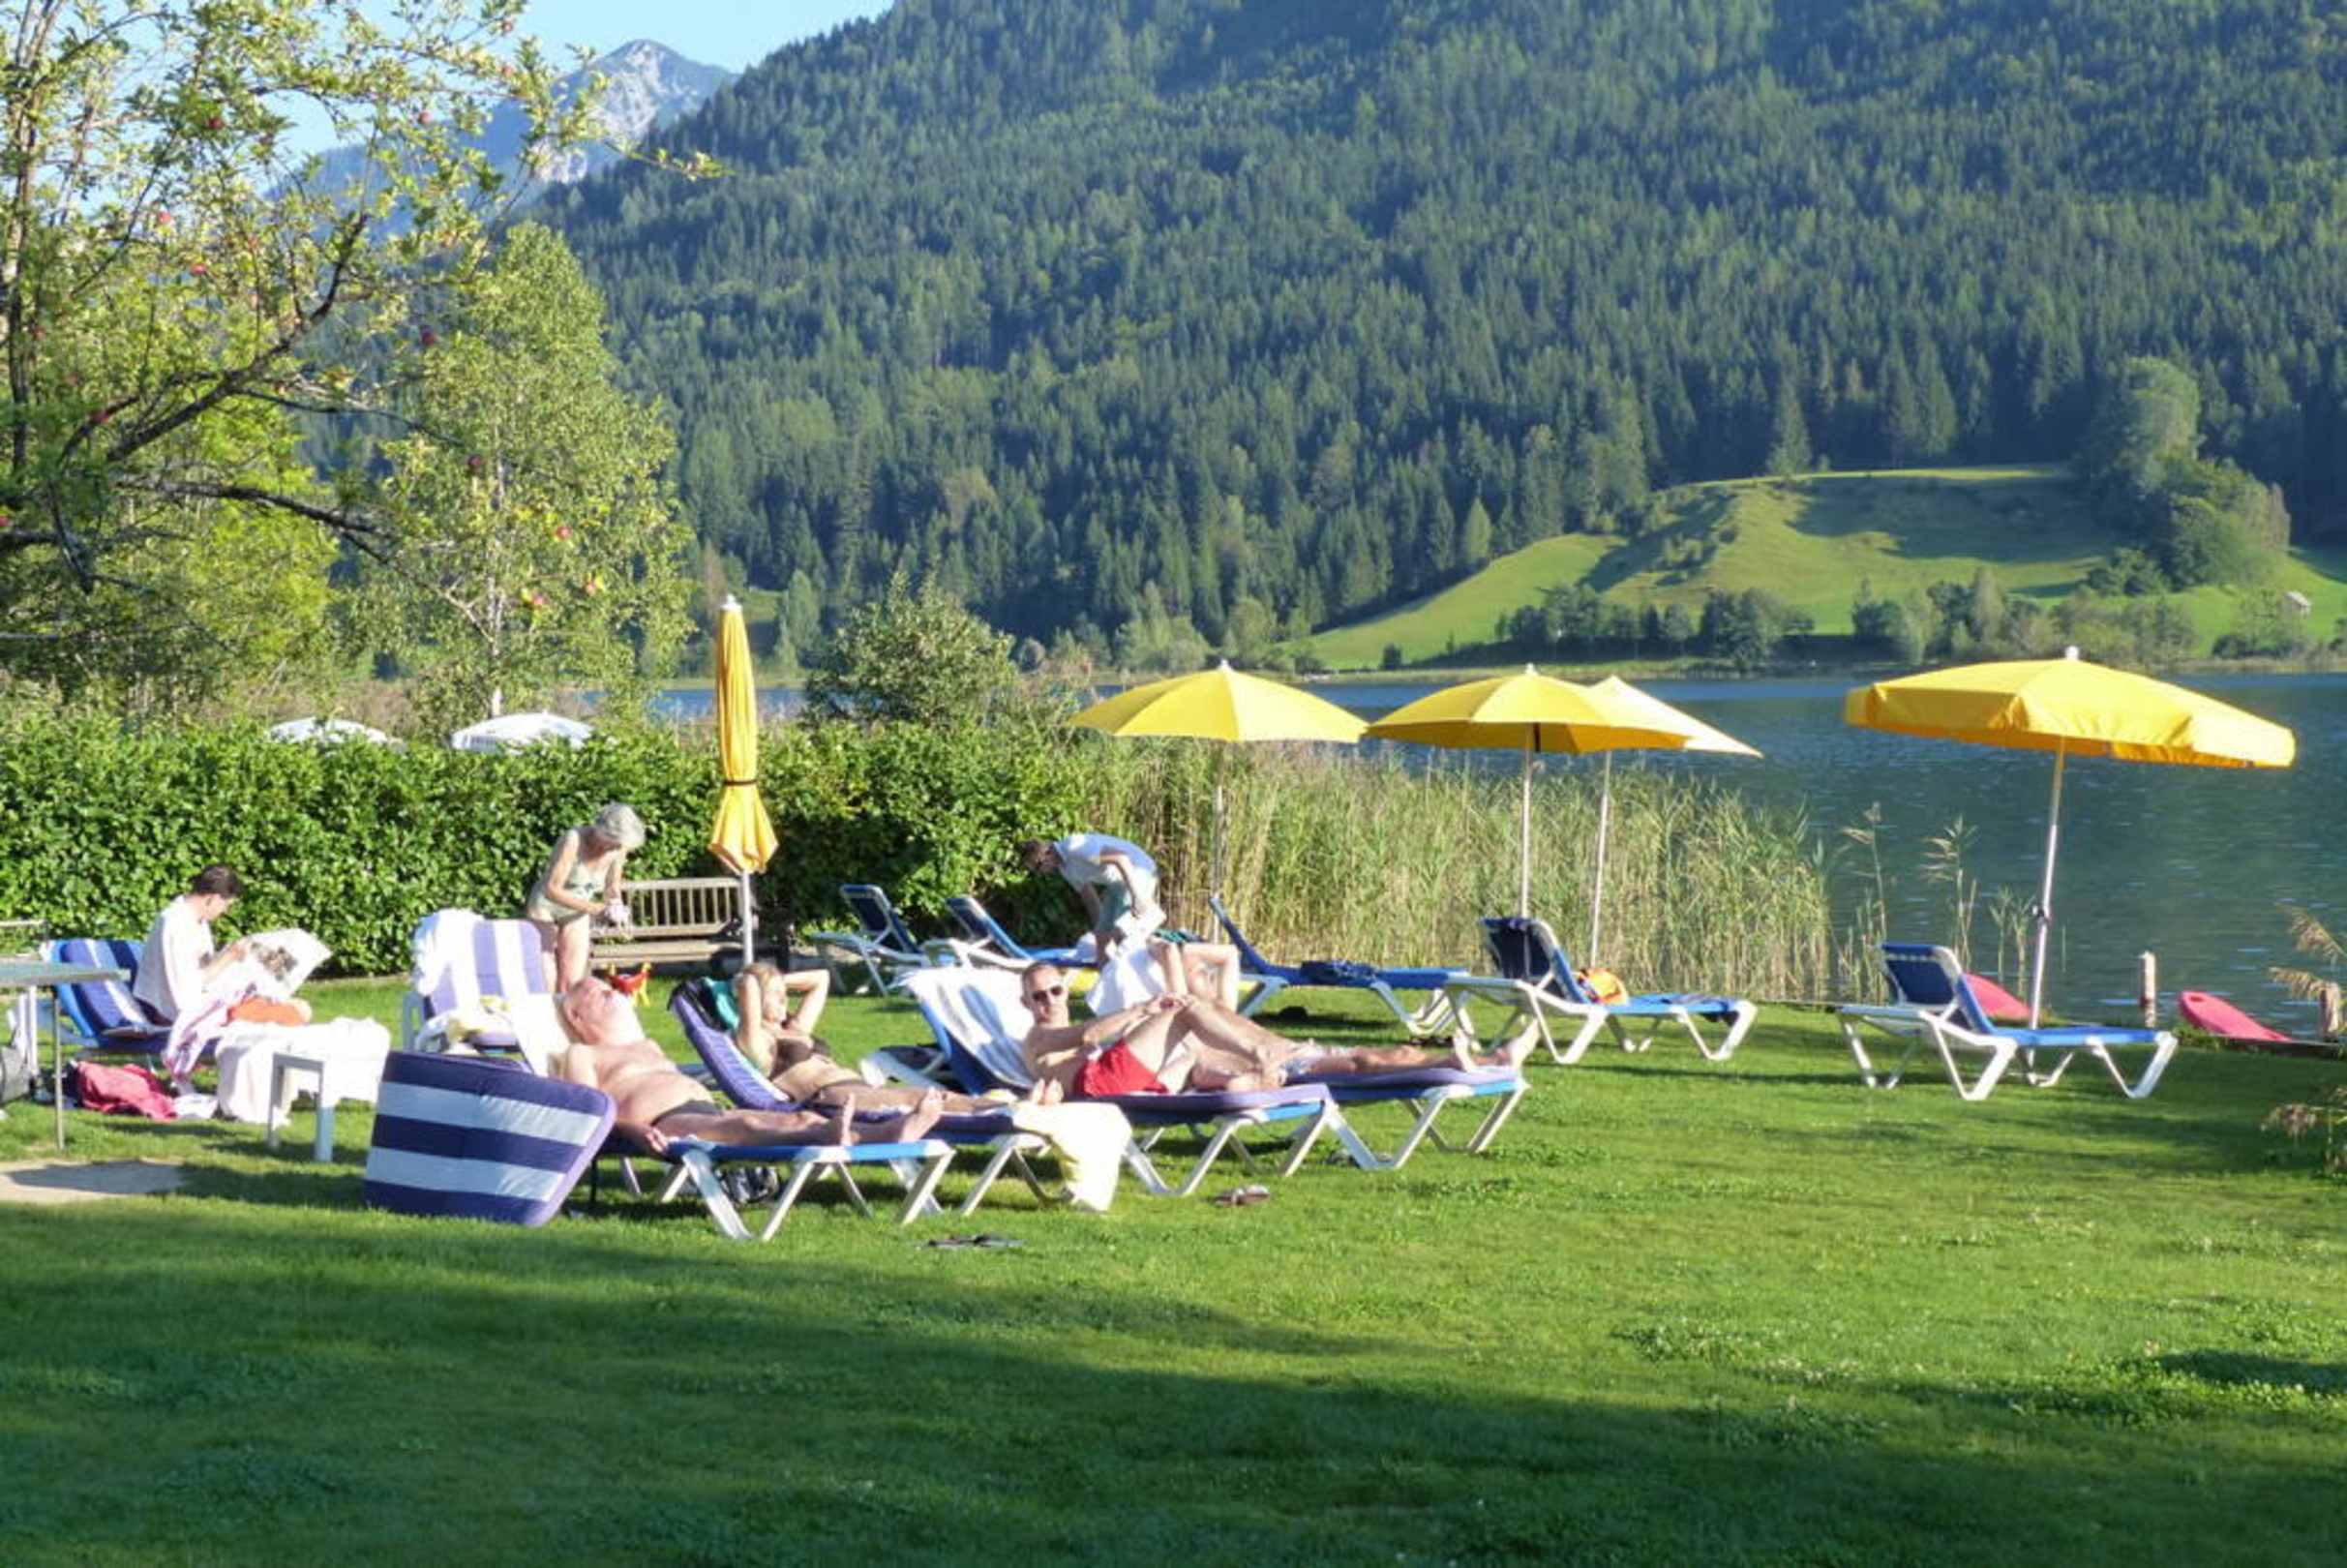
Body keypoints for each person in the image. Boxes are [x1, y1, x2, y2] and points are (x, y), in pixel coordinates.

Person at [558, 976, 944, 1155]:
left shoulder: (647, 1045)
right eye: (598, 992)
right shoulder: (583, 1055)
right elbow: (586, 1115)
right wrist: (634, 1130)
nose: (611, 990)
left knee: (802, 1118)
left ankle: (889, 1133)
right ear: (576, 1016)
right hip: (665, 1125)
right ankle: (835, 1137)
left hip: (704, 1109)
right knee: (749, 1127)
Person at [1015, 961, 1509, 1099]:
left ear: (1064, 989)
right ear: (1025, 1003)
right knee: (1187, 1010)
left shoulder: (1078, 1026)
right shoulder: (1037, 1039)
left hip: (1138, 1079)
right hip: (1098, 1083)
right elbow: (1088, 1039)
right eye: (1039, 996)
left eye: (1055, 991)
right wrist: (1142, 1009)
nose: (1049, 1001)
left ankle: (1481, 1060)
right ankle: (1267, 1055)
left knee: (1354, 1061)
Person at [732, 961, 1006, 1114]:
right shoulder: (759, 1042)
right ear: (757, 999)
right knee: (923, 1100)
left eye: (784, 993)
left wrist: (778, 980)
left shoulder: (796, 1027)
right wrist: (757, 981)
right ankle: (998, 1111)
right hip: (830, 1100)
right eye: (775, 995)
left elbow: (821, 978)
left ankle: (1002, 1109)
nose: (784, 999)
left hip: (858, 1088)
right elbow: (747, 984)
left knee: (929, 1097)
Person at [1017, 832, 1244, 1008]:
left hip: (1137, 871)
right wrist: (1100, 930)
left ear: (1046, 854)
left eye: (1038, 866)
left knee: (1122, 936)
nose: (1040, 872)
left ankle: (1153, 918)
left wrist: (1138, 897)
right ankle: (1112, 996)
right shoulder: (1066, 868)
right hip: (1117, 885)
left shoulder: (1075, 846)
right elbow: (1089, 897)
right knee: (1103, 940)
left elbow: (1121, 858)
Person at [133, 864, 311, 1027]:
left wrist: (231, 956)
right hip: (175, 1012)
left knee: (288, 996)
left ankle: (264, 1005)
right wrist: (229, 956)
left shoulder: (195, 919)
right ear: (213, 899)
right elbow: (186, 989)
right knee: (298, 1011)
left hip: (202, 999)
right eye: (226, 905)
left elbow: (202, 968)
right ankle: (258, 1010)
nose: (225, 911)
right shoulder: (176, 923)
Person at [526, 803, 644, 991]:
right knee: (546, 976)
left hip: (577, 910)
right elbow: (552, 889)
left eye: (619, 845)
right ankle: (546, 1008)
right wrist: (594, 908)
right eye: (612, 842)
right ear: (601, 831)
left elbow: (612, 886)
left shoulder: (619, 847)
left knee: (572, 980)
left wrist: (615, 905)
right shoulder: (573, 840)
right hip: (545, 905)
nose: (614, 848)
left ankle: (567, 1009)